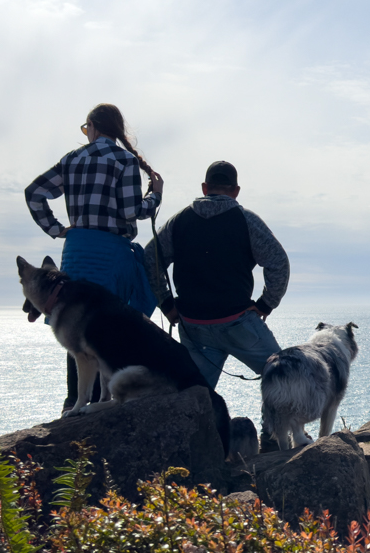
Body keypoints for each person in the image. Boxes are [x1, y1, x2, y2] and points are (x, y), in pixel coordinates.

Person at [25, 103, 163, 413]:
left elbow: (33, 193)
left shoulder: (72, 159)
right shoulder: (124, 160)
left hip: (76, 250)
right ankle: (109, 401)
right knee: (109, 327)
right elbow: (131, 212)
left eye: (86, 129)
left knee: (73, 326)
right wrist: (155, 196)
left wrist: (57, 229)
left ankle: (73, 403)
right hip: (109, 252)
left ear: (93, 127)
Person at [144, 161, 289, 389]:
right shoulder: (246, 220)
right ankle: (271, 426)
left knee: (195, 393)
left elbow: (150, 259)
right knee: (284, 377)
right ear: (236, 191)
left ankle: (196, 424)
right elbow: (279, 263)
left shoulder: (179, 221)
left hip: (193, 326)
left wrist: (166, 303)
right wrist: (265, 304)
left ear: (204, 187)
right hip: (237, 322)